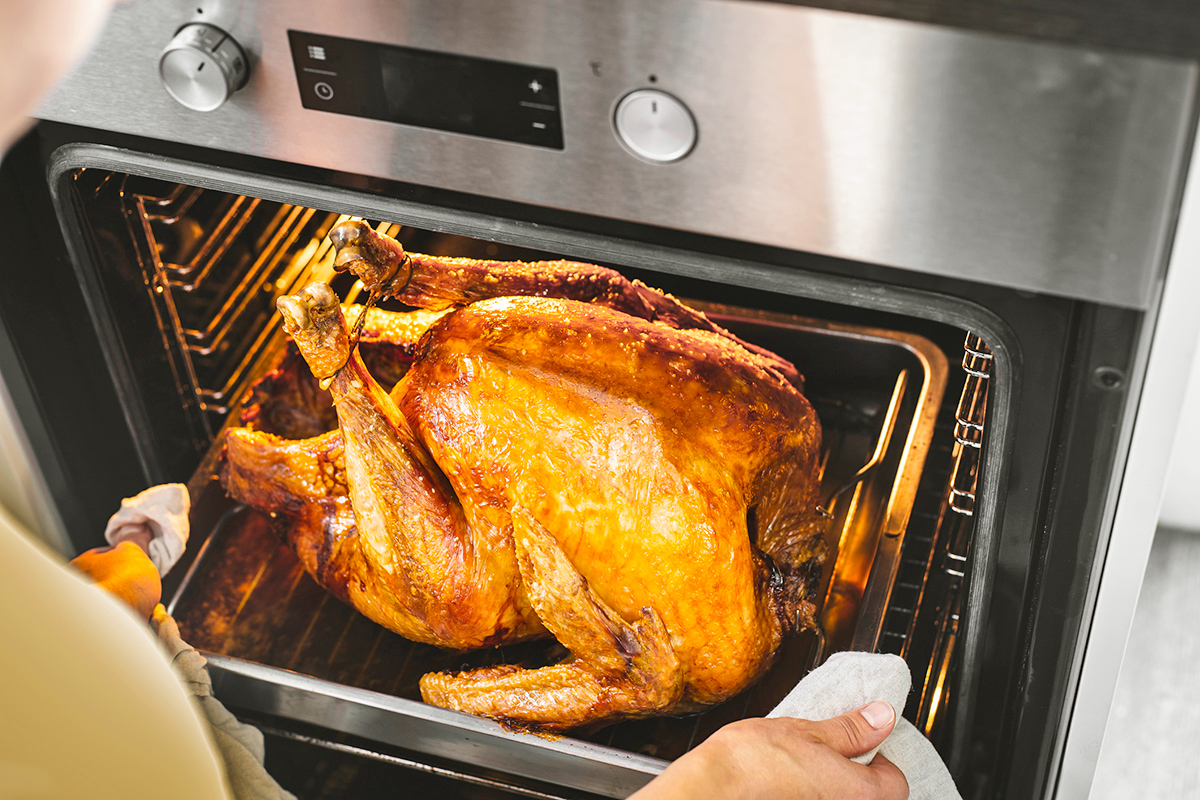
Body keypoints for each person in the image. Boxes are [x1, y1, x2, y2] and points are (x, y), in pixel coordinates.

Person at [0, 2, 909, 798]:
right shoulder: (717, 652)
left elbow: (623, 304)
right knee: (487, 599)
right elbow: (621, 303)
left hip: (489, 394)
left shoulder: (710, 637)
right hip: (489, 396)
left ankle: (344, 381)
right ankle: (339, 384)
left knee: (756, 417)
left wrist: (409, 283)